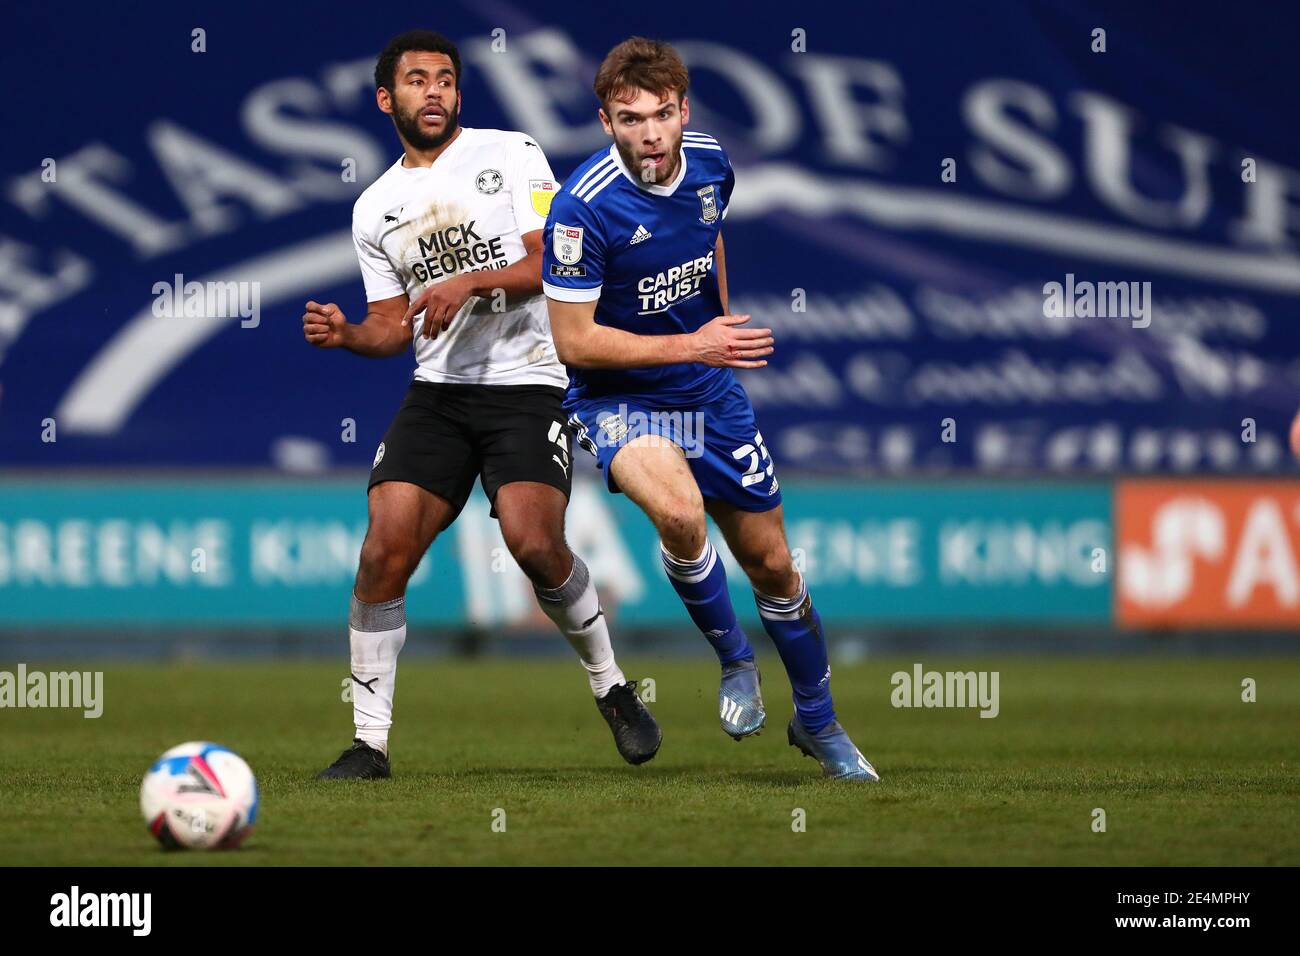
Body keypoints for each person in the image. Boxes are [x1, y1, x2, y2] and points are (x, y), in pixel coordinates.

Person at [304, 30, 659, 779]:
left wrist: (468, 283)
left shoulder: (510, 153)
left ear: (459, 94)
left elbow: (553, 262)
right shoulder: (375, 208)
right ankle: (369, 743)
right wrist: (347, 335)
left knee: (534, 544)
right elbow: (392, 327)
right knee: (381, 552)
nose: (433, 91)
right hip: (438, 396)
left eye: (445, 80)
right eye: (416, 80)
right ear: (386, 99)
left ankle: (612, 685)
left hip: (528, 382)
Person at [541, 38, 877, 781]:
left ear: (683, 110)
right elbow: (574, 340)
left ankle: (818, 721)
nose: (651, 134)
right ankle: (735, 661)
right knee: (682, 516)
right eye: (631, 119)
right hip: (620, 399)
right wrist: (694, 343)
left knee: (774, 565)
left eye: (662, 114)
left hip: (709, 393)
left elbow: (709, 239)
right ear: (605, 121)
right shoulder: (581, 210)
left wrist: (713, 334)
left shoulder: (713, 163)